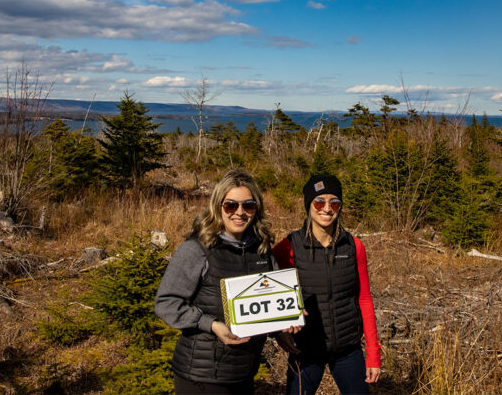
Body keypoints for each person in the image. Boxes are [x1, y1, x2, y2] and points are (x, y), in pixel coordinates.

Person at [155, 169, 276, 394]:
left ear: (256, 209)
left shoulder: (262, 250)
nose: (239, 213)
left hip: (243, 373)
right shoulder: (196, 249)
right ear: (217, 206)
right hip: (202, 376)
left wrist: (288, 322)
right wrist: (210, 324)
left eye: (248, 206)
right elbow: (166, 303)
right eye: (231, 205)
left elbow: (270, 306)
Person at [273, 173, 381, 395]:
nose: (327, 208)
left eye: (335, 202)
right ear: (309, 205)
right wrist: (279, 332)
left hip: (348, 350)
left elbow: (364, 299)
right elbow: (271, 296)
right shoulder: (288, 247)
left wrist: (373, 353)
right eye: (319, 201)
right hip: (305, 350)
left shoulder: (354, 246)